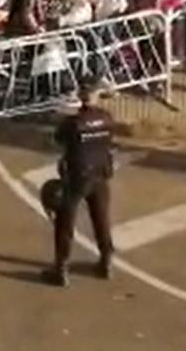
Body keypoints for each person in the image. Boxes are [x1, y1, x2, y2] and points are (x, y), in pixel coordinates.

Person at [43, 84, 115, 287]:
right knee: (101, 218)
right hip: (101, 172)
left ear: (80, 96)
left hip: (77, 175)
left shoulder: (73, 122)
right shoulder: (107, 117)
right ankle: (106, 262)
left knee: (65, 221)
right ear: (97, 94)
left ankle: (61, 269)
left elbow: (57, 140)